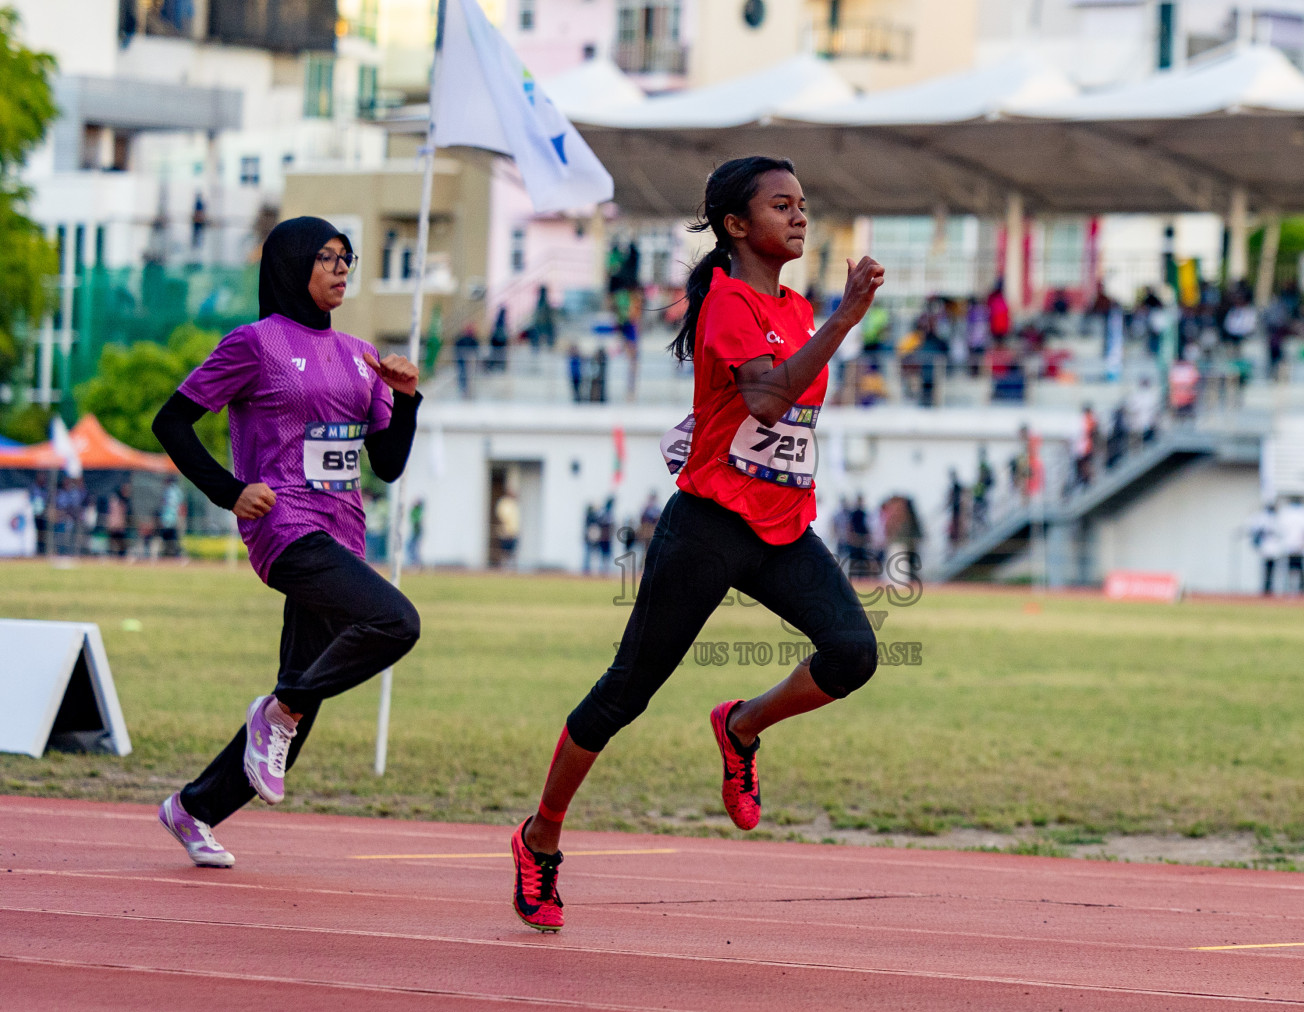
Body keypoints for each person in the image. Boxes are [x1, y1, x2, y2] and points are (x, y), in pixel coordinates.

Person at [509, 156, 883, 933]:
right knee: (625, 693)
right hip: (709, 526)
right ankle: (540, 834)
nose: (801, 216)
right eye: (783, 205)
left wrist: (826, 324)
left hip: (780, 527)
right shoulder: (728, 302)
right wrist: (844, 321)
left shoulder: (792, 307)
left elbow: (782, 414)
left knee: (854, 653)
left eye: (804, 203)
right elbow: (771, 401)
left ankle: (741, 725)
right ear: (737, 226)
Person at [149, 216, 422, 868]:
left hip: (342, 533)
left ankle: (193, 808)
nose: (341, 270)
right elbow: (173, 421)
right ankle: (279, 710)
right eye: (327, 258)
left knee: (299, 704)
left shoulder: (361, 354)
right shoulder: (255, 344)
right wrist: (229, 490)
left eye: (347, 259)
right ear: (291, 265)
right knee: (395, 621)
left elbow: (386, 464)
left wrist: (406, 399)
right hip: (284, 527)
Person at [1276, 495, 1304, 596]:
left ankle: (1294, 591)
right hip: (1298, 546)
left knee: (1295, 570)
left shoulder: (1286, 512)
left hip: (1293, 546)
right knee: (1296, 570)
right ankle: (1296, 591)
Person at [1248, 503, 1283, 596]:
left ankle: (1270, 589)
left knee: (1272, 570)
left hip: (1274, 547)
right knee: (1267, 570)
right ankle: (1266, 589)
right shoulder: (1264, 518)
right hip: (1267, 547)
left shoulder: (1277, 518)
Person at [494, 488, 520, 569]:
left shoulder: (514, 504)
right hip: (506, 531)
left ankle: (512, 568)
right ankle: (504, 568)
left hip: (514, 531)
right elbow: (501, 517)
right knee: (505, 551)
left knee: (513, 551)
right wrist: (504, 529)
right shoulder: (504, 503)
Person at [158, 478, 184, 558]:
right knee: (171, 538)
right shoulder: (175, 490)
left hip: (170, 518)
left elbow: (180, 505)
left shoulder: (170, 491)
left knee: (172, 538)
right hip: (170, 518)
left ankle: (173, 554)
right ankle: (171, 554)